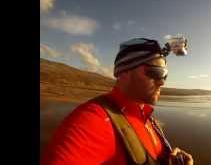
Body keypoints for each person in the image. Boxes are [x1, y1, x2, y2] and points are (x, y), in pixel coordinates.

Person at [41, 38, 193, 165]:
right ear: (124, 72)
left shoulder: (146, 116)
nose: (162, 82)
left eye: (164, 75)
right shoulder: (93, 120)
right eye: (156, 73)